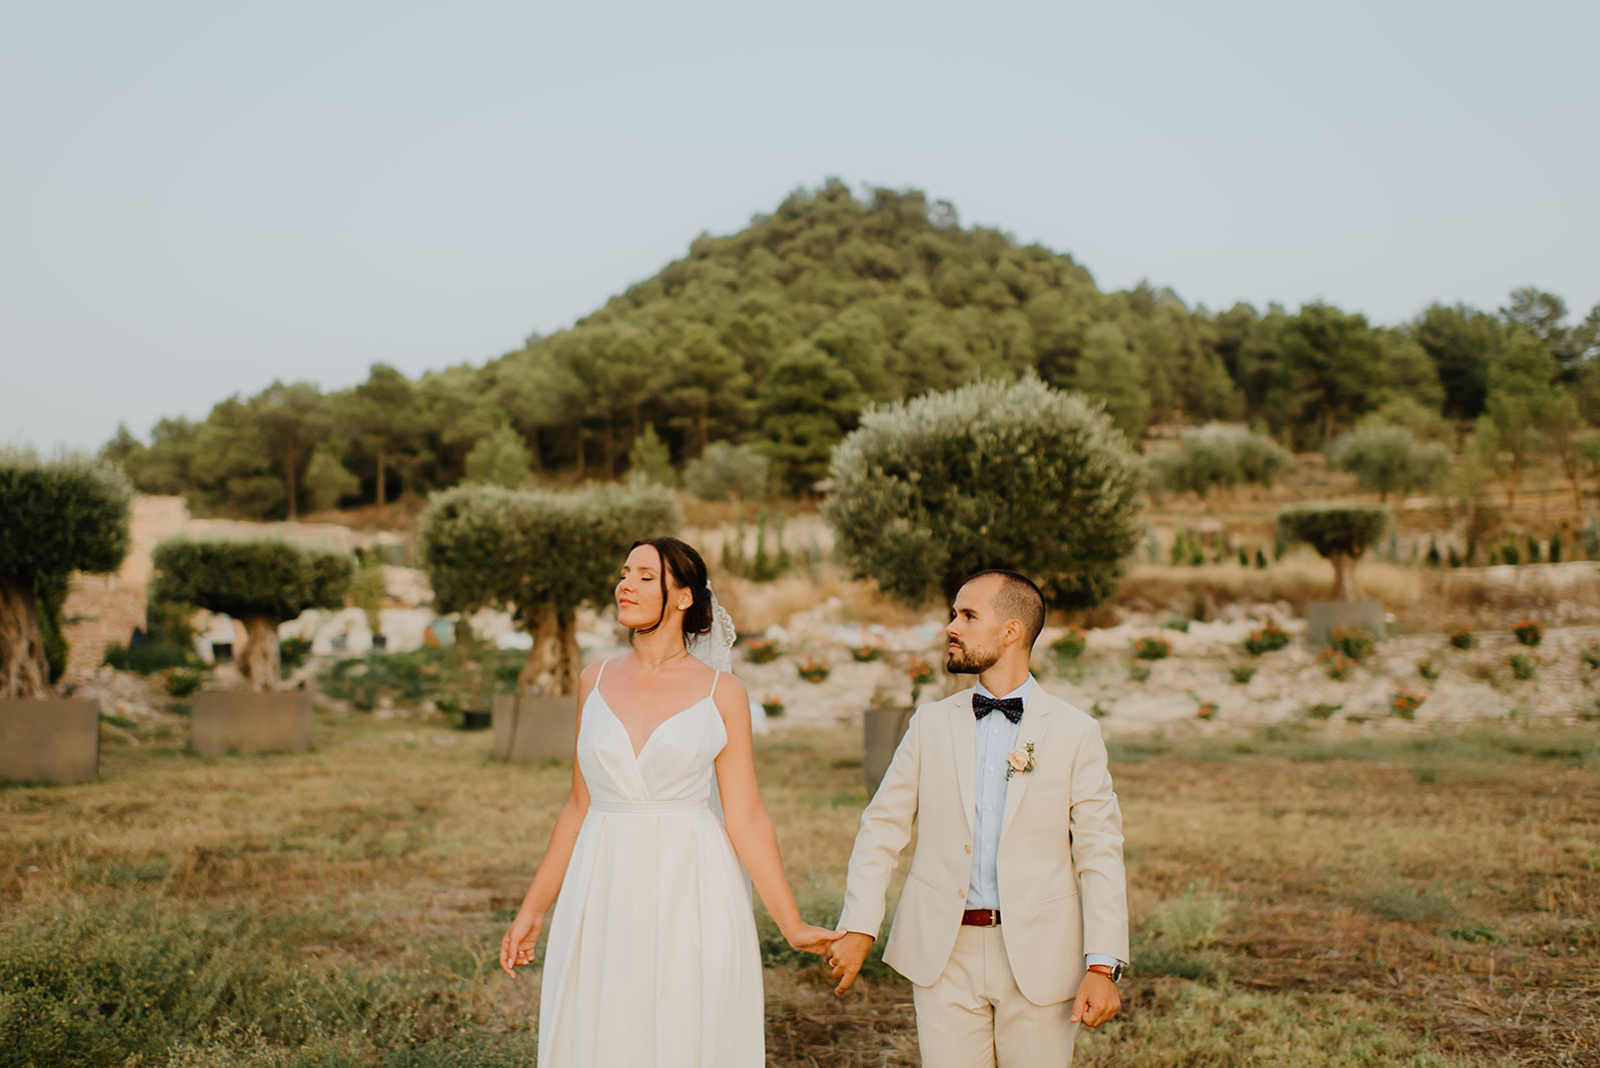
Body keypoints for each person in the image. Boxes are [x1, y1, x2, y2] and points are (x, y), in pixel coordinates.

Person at [499, 536, 841, 1067]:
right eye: (623, 574)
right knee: (604, 1027)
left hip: (691, 884)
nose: (625, 585)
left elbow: (746, 817)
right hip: (602, 881)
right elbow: (577, 807)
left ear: (684, 596)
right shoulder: (594, 681)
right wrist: (534, 909)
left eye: (644, 576)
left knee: (684, 1026)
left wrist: (792, 924)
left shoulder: (723, 693)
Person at [828, 570, 1129, 1067]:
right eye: (954, 614)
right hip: (942, 952)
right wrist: (859, 925)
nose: (951, 626)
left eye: (968, 616)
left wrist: (1102, 964)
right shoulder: (929, 723)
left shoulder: (1075, 732)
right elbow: (882, 827)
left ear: (1011, 631)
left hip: (1042, 954)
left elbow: (1100, 851)